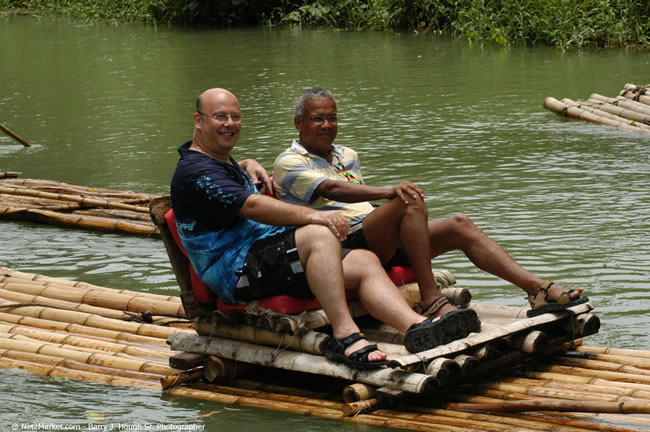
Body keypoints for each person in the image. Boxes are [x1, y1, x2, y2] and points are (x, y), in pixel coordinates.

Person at [169, 88, 481, 370]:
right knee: (319, 233)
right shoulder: (196, 171)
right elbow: (251, 206)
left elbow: (240, 190)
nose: (230, 123)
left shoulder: (220, 161)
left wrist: (249, 162)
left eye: (235, 116)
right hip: (235, 271)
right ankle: (345, 336)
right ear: (199, 121)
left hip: (262, 257)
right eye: (220, 116)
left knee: (363, 259)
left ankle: (416, 328)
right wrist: (315, 217)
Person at [273, 87, 588, 319]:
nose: (327, 125)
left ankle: (537, 290)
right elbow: (332, 189)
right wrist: (388, 192)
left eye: (332, 118)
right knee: (406, 200)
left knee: (459, 225)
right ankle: (431, 297)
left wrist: (390, 198)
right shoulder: (288, 162)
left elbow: (356, 197)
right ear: (299, 123)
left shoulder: (346, 155)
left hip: (373, 236)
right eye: (318, 119)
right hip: (338, 245)